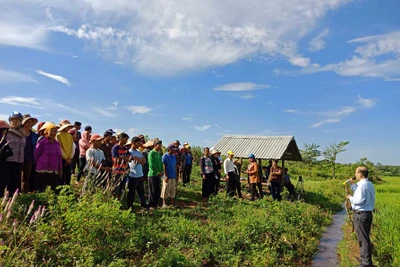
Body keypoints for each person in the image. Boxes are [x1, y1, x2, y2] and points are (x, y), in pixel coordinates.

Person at [347, 166, 375, 267]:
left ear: (360, 174)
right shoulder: (368, 184)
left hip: (361, 215)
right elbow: (360, 193)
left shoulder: (362, 186)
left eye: (356, 173)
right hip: (366, 214)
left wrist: (350, 198)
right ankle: (366, 261)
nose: (355, 175)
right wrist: (352, 185)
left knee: (363, 240)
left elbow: (359, 200)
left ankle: (366, 264)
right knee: (365, 238)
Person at [34, 123, 63, 192]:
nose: (53, 133)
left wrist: (60, 169)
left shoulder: (57, 144)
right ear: (47, 132)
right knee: (41, 188)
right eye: (51, 131)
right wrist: (40, 163)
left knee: (52, 189)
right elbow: (36, 155)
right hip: (42, 169)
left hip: (53, 169)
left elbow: (59, 157)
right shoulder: (42, 142)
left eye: (55, 131)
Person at [6, 111, 27, 194]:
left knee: (16, 181)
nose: (15, 122)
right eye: (13, 120)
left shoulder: (23, 133)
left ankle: (15, 200)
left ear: (21, 122)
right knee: (8, 181)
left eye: (17, 120)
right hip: (8, 160)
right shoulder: (6, 132)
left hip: (19, 161)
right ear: (10, 121)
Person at [126, 136, 148, 210]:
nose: (139, 145)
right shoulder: (129, 152)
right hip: (133, 175)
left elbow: (144, 161)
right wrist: (139, 160)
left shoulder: (138, 152)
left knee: (141, 192)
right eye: (138, 143)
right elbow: (138, 161)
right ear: (133, 143)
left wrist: (139, 159)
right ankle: (130, 206)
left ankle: (143, 205)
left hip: (140, 174)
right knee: (131, 192)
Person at [21, 114, 38, 193]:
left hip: (29, 158)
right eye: (27, 121)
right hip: (18, 157)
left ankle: (24, 193)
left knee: (26, 177)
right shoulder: (18, 132)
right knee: (16, 176)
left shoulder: (34, 135)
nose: (29, 123)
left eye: (30, 122)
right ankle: (15, 193)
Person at [56, 120, 75, 186]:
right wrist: (65, 157)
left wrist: (70, 157)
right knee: (61, 175)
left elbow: (72, 147)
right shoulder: (58, 135)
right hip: (61, 158)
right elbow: (59, 148)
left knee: (68, 175)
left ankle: (67, 190)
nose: (68, 128)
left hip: (69, 159)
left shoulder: (70, 136)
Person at [148, 139, 163, 209]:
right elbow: (151, 164)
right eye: (159, 145)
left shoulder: (159, 153)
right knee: (152, 190)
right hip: (152, 174)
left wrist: (161, 171)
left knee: (157, 190)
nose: (160, 147)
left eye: (161, 145)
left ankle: (156, 204)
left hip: (158, 174)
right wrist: (157, 172)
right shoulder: (151, 153)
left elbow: (161, 163)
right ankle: (151, 205)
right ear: (155, 145)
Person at [0, 121, 13, 197]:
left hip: (3, 167)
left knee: (2, 185)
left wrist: (4, 152)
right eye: (3, 130)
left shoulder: (5, 142)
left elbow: (11, 153)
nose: (5, 132)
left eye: (6, 130)